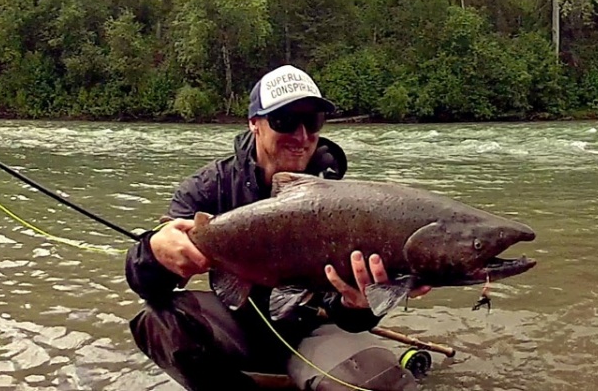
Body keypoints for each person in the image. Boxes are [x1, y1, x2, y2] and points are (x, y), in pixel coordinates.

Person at [125, 64, 430, 391]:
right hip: (238, 326)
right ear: (254, 123)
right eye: (284, 121)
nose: (301, 136)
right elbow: (147, 285)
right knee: (158, 321)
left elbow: (350, 319)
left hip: (315, 330)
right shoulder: (207, 188)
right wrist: (154, 252)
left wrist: (358, 306)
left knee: (381, 384)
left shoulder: (342, 198)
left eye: (312, 122)